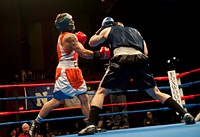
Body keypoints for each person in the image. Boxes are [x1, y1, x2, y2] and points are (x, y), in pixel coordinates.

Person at [78, 17, 196, 136]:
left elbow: (92, 43)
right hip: (140, 60)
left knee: (101, 92)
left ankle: (91, 124)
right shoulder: (136, 32)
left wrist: (100, 30)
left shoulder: (109, 29)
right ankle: (184, 113)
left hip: (121, 58)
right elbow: (145, 52)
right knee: (156, 92)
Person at [29, 12, 110, 137]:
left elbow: (77, 52)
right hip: (66, 72)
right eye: (71, 21)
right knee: (56, 100)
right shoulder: (69, 37)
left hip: (75, 70)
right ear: (66, 24)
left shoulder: (66, 36)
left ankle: (90, 125)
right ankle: (36, 122)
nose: (73, 22)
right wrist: (99, 54)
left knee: (84, 98)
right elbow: (83, 53)